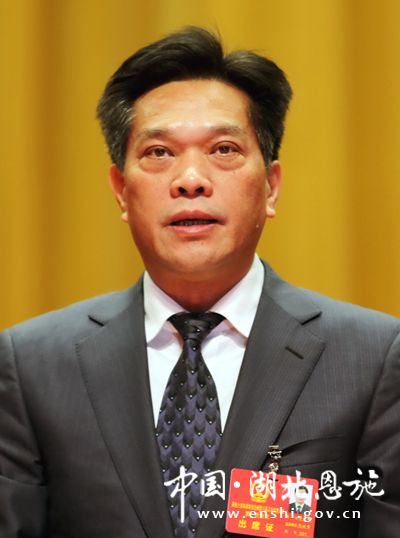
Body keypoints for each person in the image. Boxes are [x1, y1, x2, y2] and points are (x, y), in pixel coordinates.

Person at [0, 26, 399, 538]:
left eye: (224, 149)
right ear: (120, 190)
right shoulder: (32, 367)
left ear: (270, 187)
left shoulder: (372, 359)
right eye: (159, 152)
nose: (190, 179)